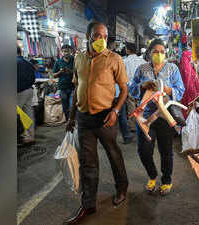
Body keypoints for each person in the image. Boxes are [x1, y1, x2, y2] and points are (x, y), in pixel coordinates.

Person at [64, 21, 129, 224]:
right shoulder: (79, 58)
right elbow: (77, 89)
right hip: (84, 119)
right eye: (97, 35)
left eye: (104, 36)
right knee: (87, 163)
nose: (101, 40)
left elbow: (124, 89)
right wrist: (72, 116)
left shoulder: (114, 59)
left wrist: (116, 111)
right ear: (88, 36)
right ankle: (88, 204)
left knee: (113, 155)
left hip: (105, 117)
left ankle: (122, 188)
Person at [129, 39, 185, 195]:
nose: (159, 54)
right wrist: (142, 86)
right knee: (144, 151)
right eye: (155, 51)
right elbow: (132, 88)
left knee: (166, 151)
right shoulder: (142, 69)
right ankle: (152, 175)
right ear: (149, 52)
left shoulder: (172, 68)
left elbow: (180, 90)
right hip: (145, 117)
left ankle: (166, 180)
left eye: (162, 52)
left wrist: (166, 89)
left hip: (164, 116)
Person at [17, 46, 36, 145]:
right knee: (28, 114)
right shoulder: (28, 63)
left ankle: (19, 137)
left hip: (18, 92)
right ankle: (30, 137)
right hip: (29, 91)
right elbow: (33, 78)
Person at [178, 43, 199, 118]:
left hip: (187, 87)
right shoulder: (187, 56)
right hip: (189, 87)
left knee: (188, 108)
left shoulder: (185, 56)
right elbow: (188, 73)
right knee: (189, 108)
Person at [53, 45, 74, 119]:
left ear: (71, 51)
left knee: (72, 106)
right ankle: (68, 120)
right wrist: (60, 72)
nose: (66, 53)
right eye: (64, 51)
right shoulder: (58, 62)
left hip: (73, 86)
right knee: (65, 106)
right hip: (62, 87)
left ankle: (72, 120)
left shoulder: (74, 60)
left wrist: (70, 71)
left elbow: (79, 72)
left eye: (68, 51)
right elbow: (54, 75)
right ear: (61, 52)